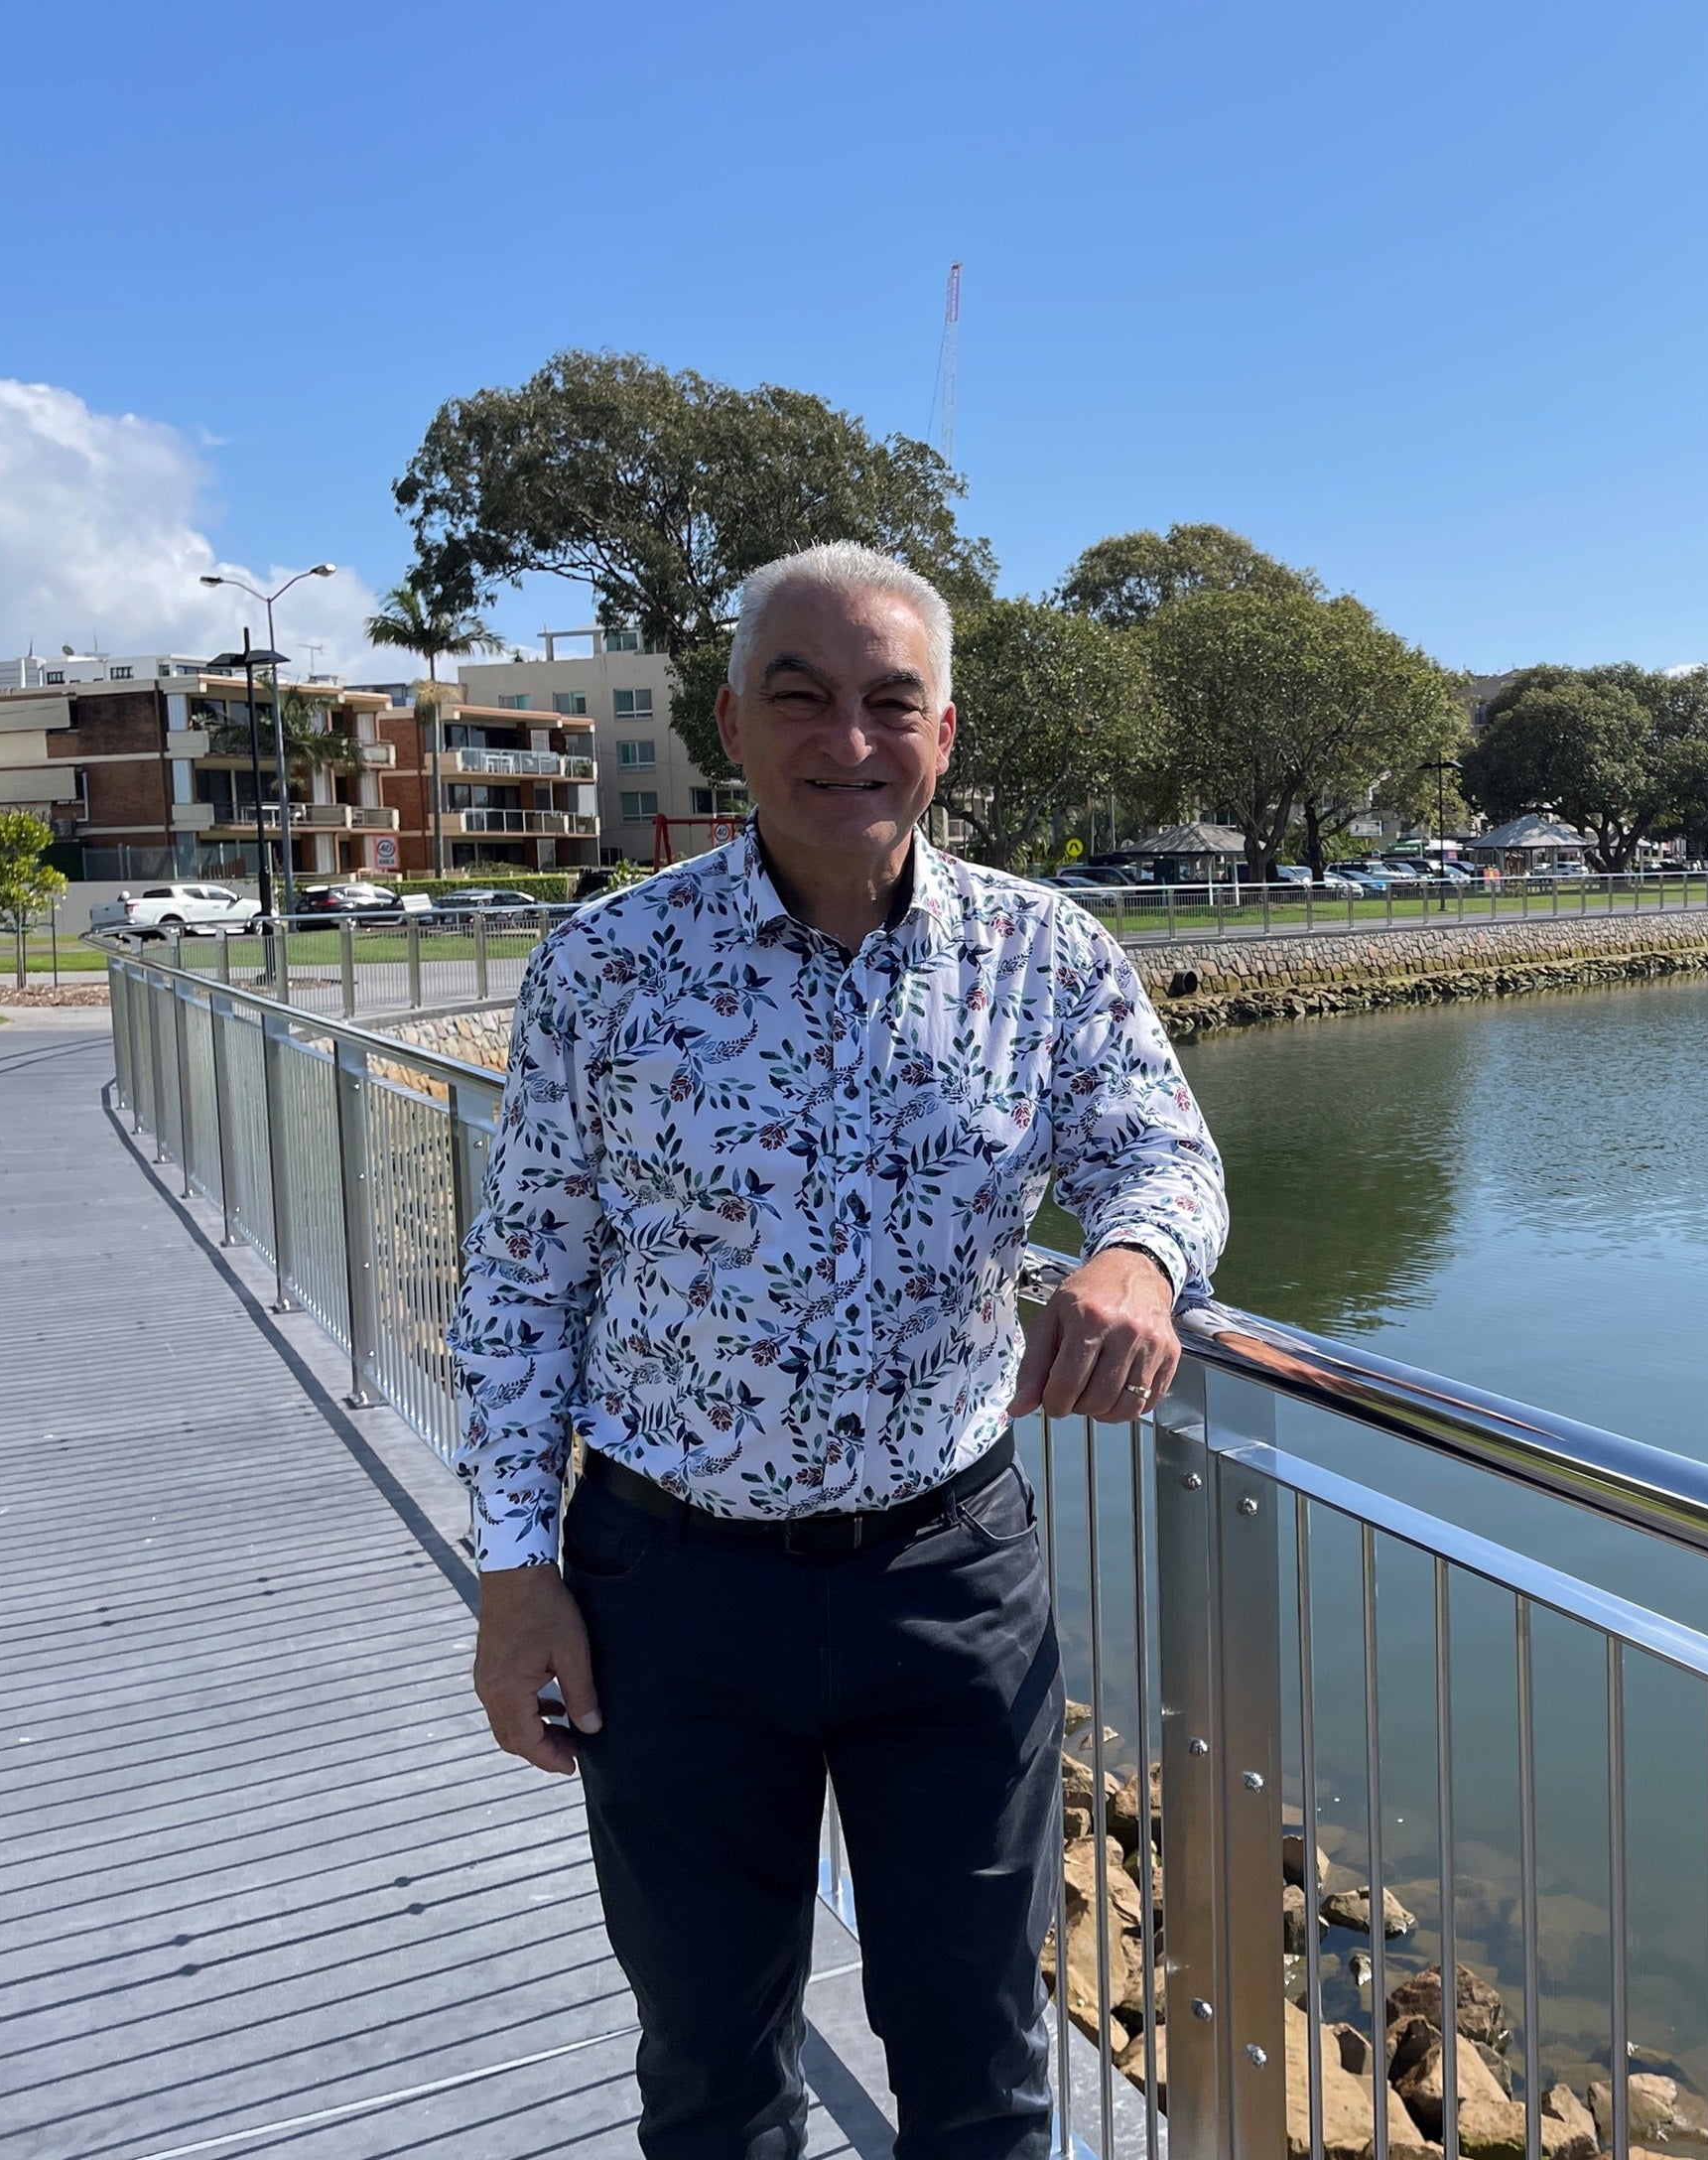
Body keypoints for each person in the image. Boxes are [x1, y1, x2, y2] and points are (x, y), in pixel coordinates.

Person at [451, 542, 1227, 2159]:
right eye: (800, 697)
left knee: (981, 2062)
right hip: (667, 1597)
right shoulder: (602, 970)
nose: (846, 739)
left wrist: (1137, 1266)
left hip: (943, 1583)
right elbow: (523, 1290)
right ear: (731, 722)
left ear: (946, 733)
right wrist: (515, 1577)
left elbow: (1164, 1154)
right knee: (711, 2066)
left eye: (890, 702)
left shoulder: (1048, 956)